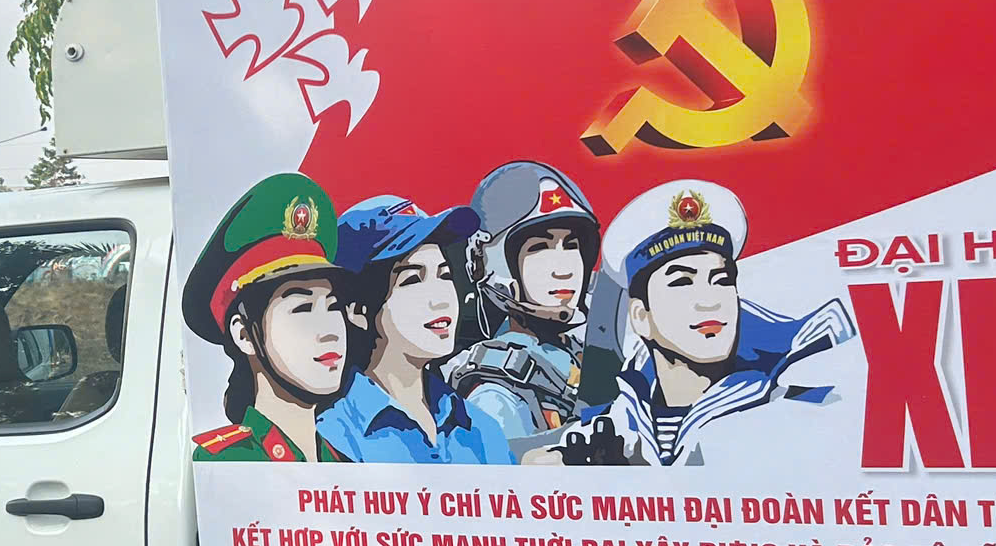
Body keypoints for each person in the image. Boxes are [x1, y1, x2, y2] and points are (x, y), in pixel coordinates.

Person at [567, 179, 854, 467]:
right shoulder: (613, 426)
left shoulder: (804, 410)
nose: (710, 301)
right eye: (682, 282)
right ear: (641, 317)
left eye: (721, 280)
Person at [318, 196, 514, 464]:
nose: (441, 299)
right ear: (357, 310)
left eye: (444, 275)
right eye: (412, 279)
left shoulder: (481, 429)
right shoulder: (332, 435)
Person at [446, 161, 620, 453]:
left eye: (572, 245)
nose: (564, 269)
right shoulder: (496, 397)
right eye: (539, 247)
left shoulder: (582, 355)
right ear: (496, 262)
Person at [182, 173, 353, 462]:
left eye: (333, 306)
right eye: (303, 309)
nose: (331, 331)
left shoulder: (344, 463)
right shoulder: (227, 463)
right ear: (244, 335)